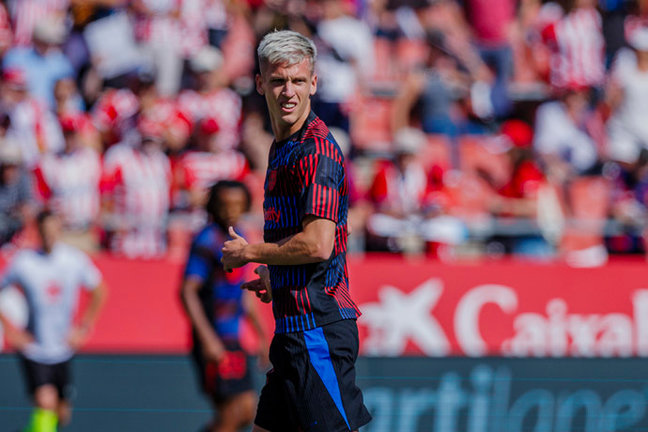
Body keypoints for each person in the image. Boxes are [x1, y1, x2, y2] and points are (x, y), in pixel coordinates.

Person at [221, 30, 372, 432]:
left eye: (298, 81)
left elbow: (318, 244)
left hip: (317, 332)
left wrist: (251, 253)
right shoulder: (281, 146)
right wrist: (277, 272)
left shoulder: (315, 150)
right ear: (260, 84)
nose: (288, 91)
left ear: (314, 84)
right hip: (292, 333)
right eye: (278, 80)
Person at [0, 209, 107, 432]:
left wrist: (84, 327)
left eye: (53, 231)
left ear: (59, 230)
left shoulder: (73, 260)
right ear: (38, 231)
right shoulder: (25, 262)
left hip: (62, 348)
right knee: (45, 402)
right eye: (44, 231)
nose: (49, 236)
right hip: (35, 348)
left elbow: (99, 291)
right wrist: (10, 330)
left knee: (61, 414)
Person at [181, 180, 267, 432]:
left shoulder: (242, 238)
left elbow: (242, 292)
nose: (231, 210)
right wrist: (207, 338)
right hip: (215, 337)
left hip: (233, 338)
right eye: (225, 204)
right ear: (213, 206)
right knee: (234, 409)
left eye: (237, 204)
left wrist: (261, 336)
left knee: (246, 409)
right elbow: (187, 291)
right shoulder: (206, 241)